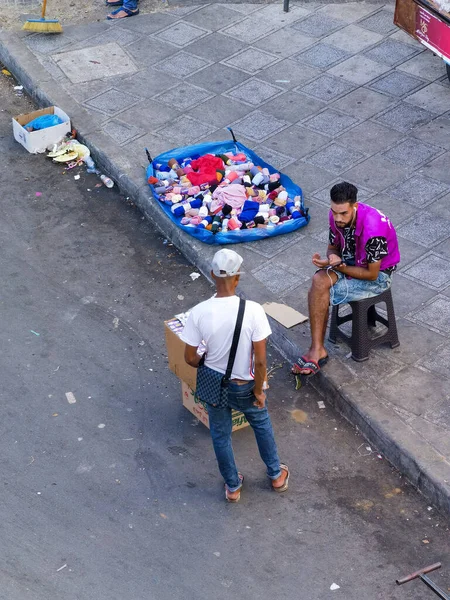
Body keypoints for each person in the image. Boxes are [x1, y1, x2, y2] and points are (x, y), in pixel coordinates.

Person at [181, 249, 289, 503]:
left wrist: (204, 357)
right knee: (261, 424)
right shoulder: (253, 311)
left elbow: (189, 358)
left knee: (221, 434)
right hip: (244, 385)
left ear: (211, 275)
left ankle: (233, 487)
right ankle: (276, 476)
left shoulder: (198, 312)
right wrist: (260, 390)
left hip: (214, 385)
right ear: (237, 278)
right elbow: (260, 360)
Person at [293, 181, 400, 376]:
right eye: (334, 212)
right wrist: (332, 257)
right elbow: (333, 245)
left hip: (377, 277)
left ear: (355, 207)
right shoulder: (335, 216)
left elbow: (372, 274)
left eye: (343, 213)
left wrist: (341, 267)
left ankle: (317, 350)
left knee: (320, 290)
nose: (337, 218)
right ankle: (317, 348)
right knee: (319, 281)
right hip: (351, 261)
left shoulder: (373, 230)